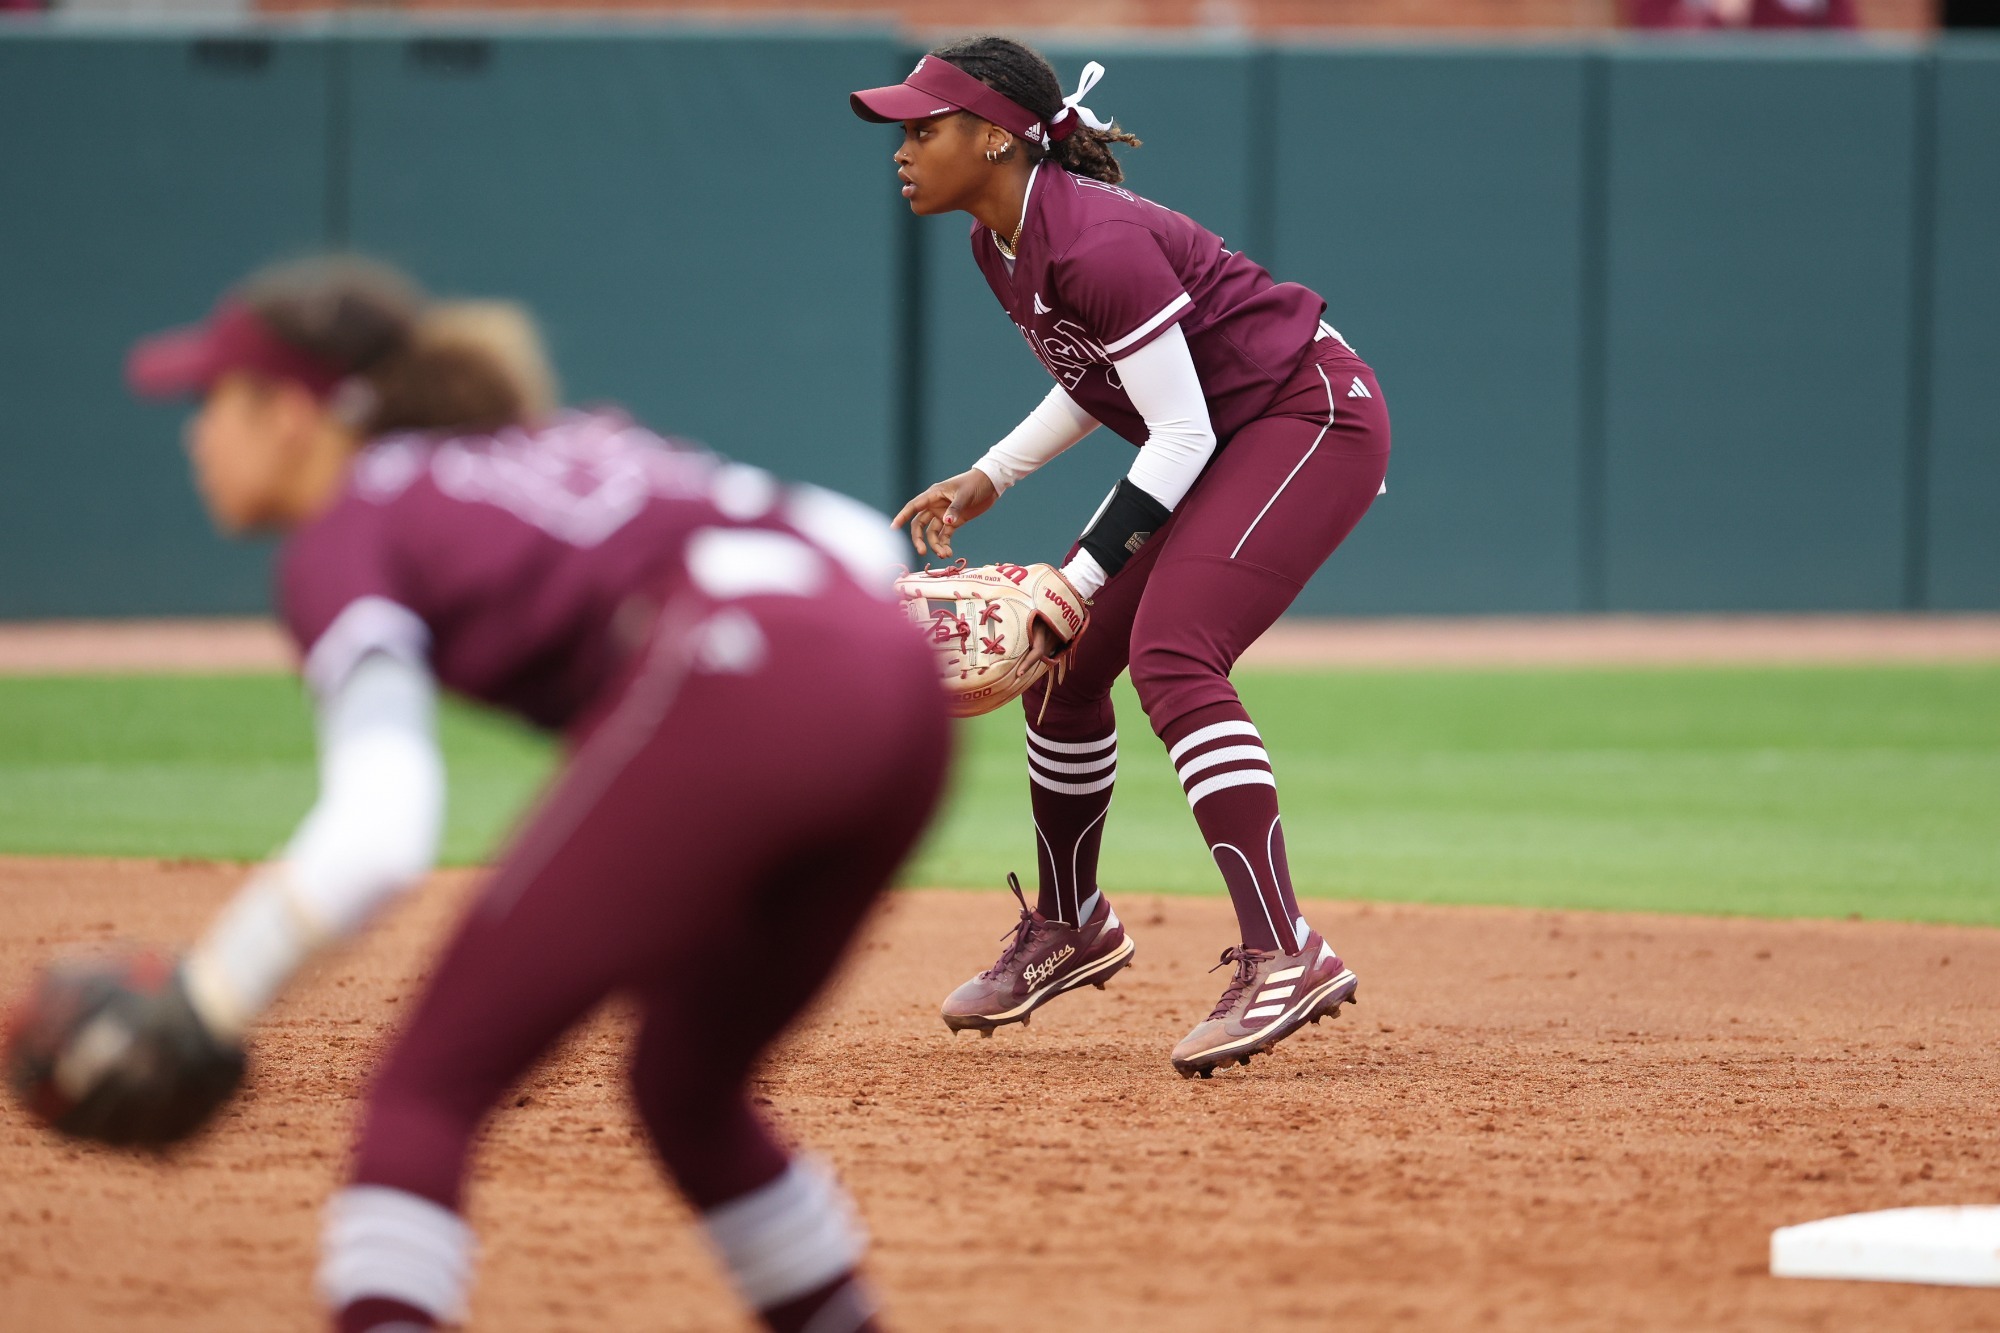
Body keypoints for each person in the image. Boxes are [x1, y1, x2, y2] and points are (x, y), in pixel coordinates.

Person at [27, 258, 949, 1332]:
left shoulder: (349, 526)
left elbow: (380, 832)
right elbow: (850, 536)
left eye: (214, 401)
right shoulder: (559, 442)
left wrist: (209, 995)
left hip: (735, 682)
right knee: (684, 1091)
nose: (196, 436)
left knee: (422, 1094)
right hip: (905, 696)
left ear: (290, 415)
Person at [852, 38, 1390, 1079]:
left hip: (1306, 416)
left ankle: (1285, 948)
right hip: (1227, 429)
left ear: (995, 139)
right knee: (1061, 668)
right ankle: (1071, 921)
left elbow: (1180, 430)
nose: (902, 150)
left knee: (1173, 654)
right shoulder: (1000, 241)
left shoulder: (1093, 240)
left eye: (923, 128)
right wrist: (992, 474)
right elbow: (1097, 374)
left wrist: (1076, 580)